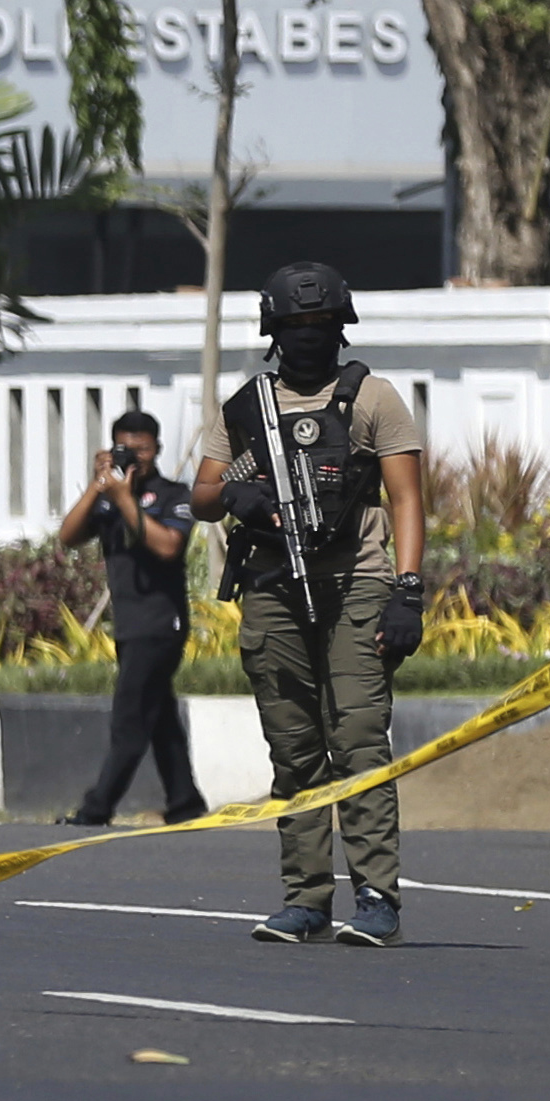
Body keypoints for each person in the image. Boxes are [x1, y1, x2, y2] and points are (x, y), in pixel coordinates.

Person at [191, 263, 427, 949]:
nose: (307, 338)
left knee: (356, 739)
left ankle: (376, 894)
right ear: (273, 330)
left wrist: (407, 589)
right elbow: (200, 492)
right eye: (295, 326)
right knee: (294, 749)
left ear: (340, 327)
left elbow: (406, 498)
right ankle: (305, 898)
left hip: (355, 580)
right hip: (271, 587)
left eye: (320, 326)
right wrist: (236, 492)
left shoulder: (371, 397)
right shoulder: (246, 407)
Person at [53, 411, 208, 829]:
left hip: (161, 623)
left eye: (141, 449)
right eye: (125, 449)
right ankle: (185, 800)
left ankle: (96, 808)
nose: (134, 458)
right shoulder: (108, 496)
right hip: (128, 624)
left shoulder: (173, 493)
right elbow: (68, 537)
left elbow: (169, 546)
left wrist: (125, 498)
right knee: (158, 715)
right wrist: (98, 484)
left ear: (156, 448)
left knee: (131, 715)